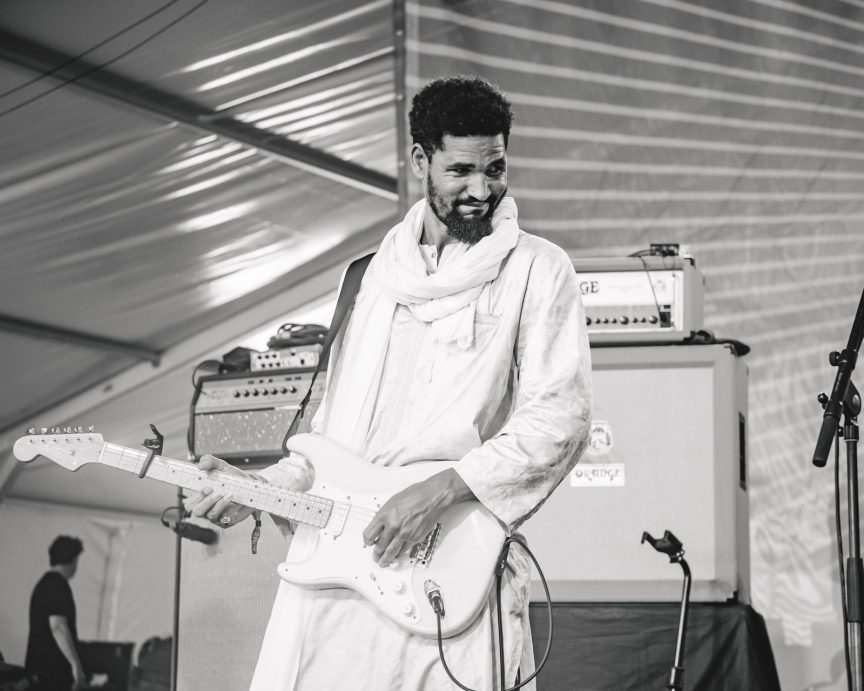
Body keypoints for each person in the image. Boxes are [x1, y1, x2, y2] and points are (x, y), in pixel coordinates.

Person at [186, 75, 593, 690]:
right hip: (336, 580)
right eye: (460, 171)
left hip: (448, 569)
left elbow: (559, 421)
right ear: (419, 162)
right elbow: (327, 444)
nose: (480, 190)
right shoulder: (366, 279)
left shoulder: (538, 268)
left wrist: (439, 491)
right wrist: (258, 489)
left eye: (496, 168)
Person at [25, 536, 86, 691]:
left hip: (41, 674)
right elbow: (58, 626)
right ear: (72, 560)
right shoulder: (56, 585)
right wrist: (75, 665)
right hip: (50, 677)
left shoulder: (45, 583)